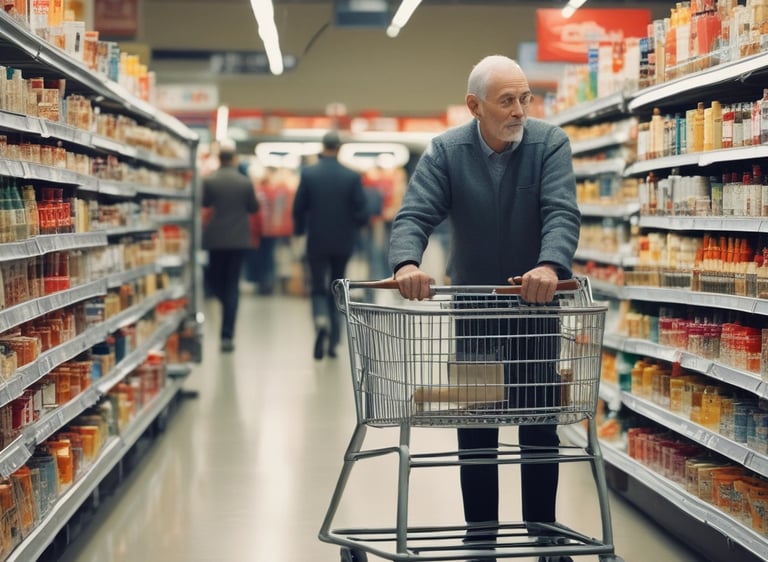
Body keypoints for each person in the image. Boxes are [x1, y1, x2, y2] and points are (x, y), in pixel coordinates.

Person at [388, 55, 581, 552]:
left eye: (525, 98)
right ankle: (482, 539)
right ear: (475, 106)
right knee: (477, 429)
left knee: (539, 427)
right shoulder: (447, 152)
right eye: (506, 101)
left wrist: (550, 266)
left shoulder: (548, 144)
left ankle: (543, 533)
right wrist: (406, 263)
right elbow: (414, 213)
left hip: (536, 308)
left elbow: (561, 212)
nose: (519, 110)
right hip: (474, 313)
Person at [293, 131, 369, 360]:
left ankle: (320, 320)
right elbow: (362, 212)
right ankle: (334, 341)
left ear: (322, 147)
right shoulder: (351, 176)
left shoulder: (309, 174)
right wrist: (353, 226)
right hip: (343, 241)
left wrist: (299, 231)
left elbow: (298, 208)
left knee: (318, 285)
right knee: (338, 285)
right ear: (339, 148)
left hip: (317, 239)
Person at [202, 139, 260, 352]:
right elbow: (254, 208)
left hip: (215, 239)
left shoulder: (210, 181)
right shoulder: (245, 182)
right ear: (234, 159)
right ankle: (227, 335)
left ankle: (223, 298)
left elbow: (205, 203)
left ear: (219, 159)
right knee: (232, 285)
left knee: (215, 279)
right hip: (238, 240)